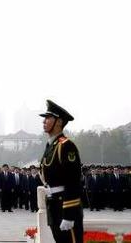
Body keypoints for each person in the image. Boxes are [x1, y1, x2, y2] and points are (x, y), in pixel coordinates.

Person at [39, 99, 83, 243]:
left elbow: (73, 181)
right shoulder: (51, 145)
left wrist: (69, 215)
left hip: (65, 206)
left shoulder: (66, 146)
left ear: (58, 122)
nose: (44, 121)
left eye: (48, 118)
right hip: (54, 205)